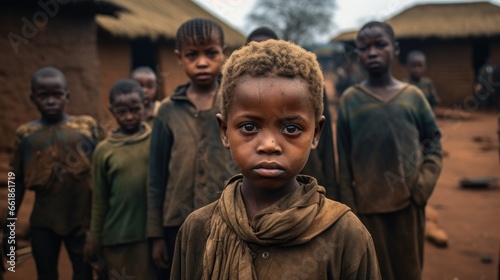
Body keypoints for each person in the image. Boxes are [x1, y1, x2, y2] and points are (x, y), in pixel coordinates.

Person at [170, 39, 381, 280]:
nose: (269, 145)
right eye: (249, 126)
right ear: (224, 131)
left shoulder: (345, 235)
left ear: (316, 133)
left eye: (291, 128)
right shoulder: (198, 229)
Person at [336, 21, 442, 280]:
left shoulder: (413, 96)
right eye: (364, 47)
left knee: (409, 270)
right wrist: (351, 207)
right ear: (358, 53)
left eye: (380, 45)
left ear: (394, 49)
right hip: (367, 210)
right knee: (373, 272)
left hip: (408, 205)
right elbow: (345, 158)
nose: (371, 53)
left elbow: (434, 142)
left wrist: (422, 187)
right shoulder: (351, 100)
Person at [147, 18, 238, 279]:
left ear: (223, 52)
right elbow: (156, 176)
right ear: (178, 57)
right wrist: (156, 235)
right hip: (176, 223)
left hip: (229, 218)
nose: (201, 62)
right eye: (191, 55)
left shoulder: (234, 103)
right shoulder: (167, 110)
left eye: (210, 53)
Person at [5, 66, 103, 280]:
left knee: (84, 272)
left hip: (81, 220)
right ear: (33, 98)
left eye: (56, 95)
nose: (50, 101)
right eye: (43, 96)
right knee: (46, 274)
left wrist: (103, 221)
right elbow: (16, 181)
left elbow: (104, 174)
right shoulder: (26, 135)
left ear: (67, 95)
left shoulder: (87, 128)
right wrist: (9, 227)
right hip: (43, 222)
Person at [246, 27, 337, 199]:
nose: (260, 56)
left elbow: (326, 144)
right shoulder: (239, 96)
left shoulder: (306, 86)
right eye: (252, 51)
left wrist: (331, 188)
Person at [85, 79, 157, 279]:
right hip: (115, 238)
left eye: (135, 109)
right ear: (111, 110)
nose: (129, 116)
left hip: (148, 238)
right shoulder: (104, 150)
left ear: (145, 105)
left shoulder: (155, 141)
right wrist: (95, 241)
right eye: (121, 111)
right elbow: (99, 200)